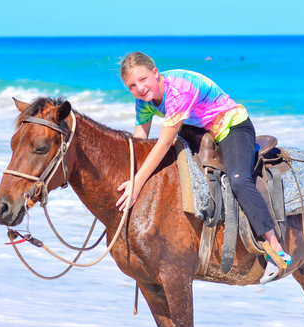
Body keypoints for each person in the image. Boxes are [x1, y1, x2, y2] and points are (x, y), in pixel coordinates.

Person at [116, 51, 291, 284]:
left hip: (231, 126)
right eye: (131, 86)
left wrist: (138, 182)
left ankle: (277, 252)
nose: (139, 88)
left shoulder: (178, 90)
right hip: (198, 128)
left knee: (239, 181)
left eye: (143, 80)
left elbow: (164, 141)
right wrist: (130, 177)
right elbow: (140, 143)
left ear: (155, 73)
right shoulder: (144, 101)